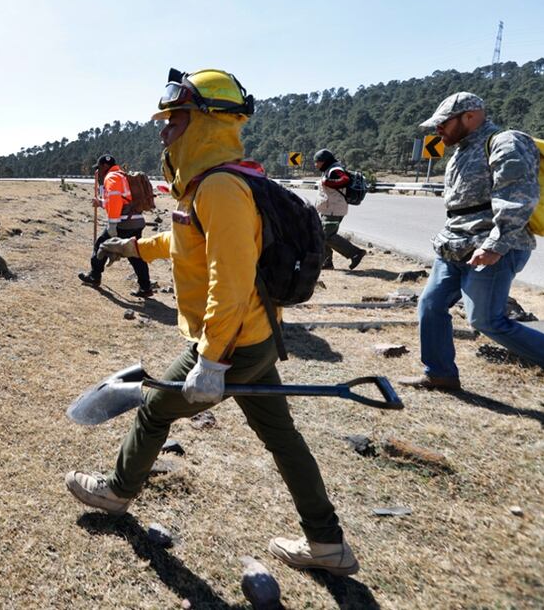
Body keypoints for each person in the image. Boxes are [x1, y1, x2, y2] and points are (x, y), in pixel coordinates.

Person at [64, 68, 359, 576]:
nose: (163, 131)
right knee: (283, 438)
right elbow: (185, 242)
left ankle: (116, 492)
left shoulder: (220, 188)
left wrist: (211, 360)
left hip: (232, 342)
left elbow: (232, 279)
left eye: (173, 119)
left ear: (204, 122)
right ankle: (327, 543)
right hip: (258, 337)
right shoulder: (215, 183)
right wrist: (132, 246)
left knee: (155, 408)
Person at [400, 92, 544, 388]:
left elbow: (518, 196)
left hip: (492, 247)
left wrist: (495, 244)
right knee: (430, 305)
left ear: (470, 115)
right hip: (454, 245)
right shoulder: (462, 150)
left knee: (486, 320)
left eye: (443, 123)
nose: (437, 130)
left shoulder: (507, 142)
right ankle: (440, 373)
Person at [78, 154, 153, 297]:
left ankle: (94, 276)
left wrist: (112, 225)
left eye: (99, 168)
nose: (99, 171)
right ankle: (145, 287)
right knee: (135, 253)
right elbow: (122, 200)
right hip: (137, 221)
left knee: (101, 245)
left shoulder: (111, 177)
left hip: (124, 223)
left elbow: (115, 200)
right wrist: (100, 203)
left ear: (105, 166)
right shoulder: (122, 175)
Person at [313, 149, 366, 270]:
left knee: (327, 236)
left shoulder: (335, 169)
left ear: (324, 161)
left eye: (317, 162)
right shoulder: (329, 169)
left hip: (334, 209)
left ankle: (355, 253)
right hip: (328, 208)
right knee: (322, 235)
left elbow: (344, 179)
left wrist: (328, 182)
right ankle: (327, 262)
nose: (316, 165)